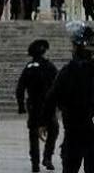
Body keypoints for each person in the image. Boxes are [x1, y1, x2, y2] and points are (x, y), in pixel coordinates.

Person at [40, 22, 94, 173]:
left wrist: (44, 122)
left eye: (74, 46)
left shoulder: (67, 72)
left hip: (73, 133)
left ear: (79, 48)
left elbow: (52, 98)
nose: (72, 49)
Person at [16, 40, 60, 172]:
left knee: (33, 134)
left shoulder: (28, 67)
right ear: (43, 52)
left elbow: (20, 88)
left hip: (34, 106)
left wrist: (21, 105)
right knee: (54, 129)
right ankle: (47, 157)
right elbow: (58, 84)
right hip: (47, 105)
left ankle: (35, 163)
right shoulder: (49, 66)